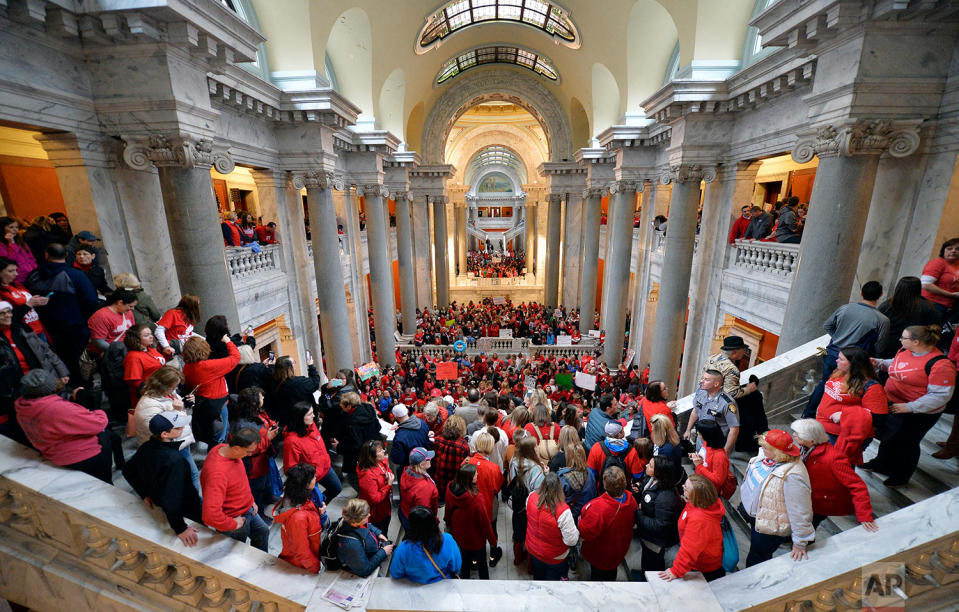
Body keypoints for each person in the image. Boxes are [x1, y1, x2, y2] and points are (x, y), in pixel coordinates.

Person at [865, 324, 956, 485]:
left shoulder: (941, 365)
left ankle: (901, 476)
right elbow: (897, 364)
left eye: (903, 337)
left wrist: (910, 407)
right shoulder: (906, 350)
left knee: (907, 443)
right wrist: (879, 363)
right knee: (888, 437)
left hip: (918, 413)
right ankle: (881, 464)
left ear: (916, 342)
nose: (900, 340)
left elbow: (940, 396)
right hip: (894, 403)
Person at [803, 281, 890, 418]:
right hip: (854, 360)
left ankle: (808, 415)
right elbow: (880, 346)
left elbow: (827, 326)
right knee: (847, 389)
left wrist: (838, 336)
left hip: (832, 353)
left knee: (825, 384)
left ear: (861, 292)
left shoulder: (845, 308)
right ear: (880, 295)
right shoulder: (882, 320)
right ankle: (832, 417)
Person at [15, 369, 115, 484]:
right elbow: (98, 423)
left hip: (53, 453)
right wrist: (96, 409)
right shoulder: (55, 408)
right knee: (105, 484)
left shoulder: (22, 408)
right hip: (83, 456)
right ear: (50, 387)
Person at [122, 411, 202, 546]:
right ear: (164, 434)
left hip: (158, 499)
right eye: (178, 428)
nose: (183, 428)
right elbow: (172, 497)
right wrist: (180, 528)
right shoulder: (174, 460)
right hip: (186, 509)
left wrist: (144, 493)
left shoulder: (146, 446)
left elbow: (128, 470)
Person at [740, 430, 814, 566]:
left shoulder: (794, 476)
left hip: (770, 526)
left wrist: (800, 541)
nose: (762, 449)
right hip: (759, 517)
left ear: (778, 452)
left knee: (758, 557)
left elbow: (801, 511)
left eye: (765, 447)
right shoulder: (767, 456)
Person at [791, 419, 877, 532]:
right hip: (807, 496)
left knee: (808, 527)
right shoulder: (805, 448)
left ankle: (803, 544)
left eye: (797, 434)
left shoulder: (834, 459)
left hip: (822, 502)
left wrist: (864, 515)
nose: (793, 435)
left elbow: (857, 486)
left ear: (810, 440)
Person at [26, 242, 98, 377]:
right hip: (75, 325)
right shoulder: (75, 275)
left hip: (45, 326)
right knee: (78, 359)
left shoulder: (33, 276)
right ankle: (80, 385)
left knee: (57, 358)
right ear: (66, 255)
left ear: (46, 255)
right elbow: (91, 300)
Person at [200, 425, 269, 552]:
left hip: (247, 509)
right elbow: (210, 515)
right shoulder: (217, 474)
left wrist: (250, 500)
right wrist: (232, 524)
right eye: (248, 452)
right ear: (237, 448)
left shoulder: (223, 448)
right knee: (235, 552)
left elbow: (239, 480)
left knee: (263, 531)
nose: (250, 455)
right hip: (234, 518)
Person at [132, 366, 199, 492]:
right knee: (182, 481)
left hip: (181, 444)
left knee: (192, 476)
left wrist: (187, 405)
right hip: (170, 448)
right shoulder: (148, 405)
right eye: (173, 387)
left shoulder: (168, 394)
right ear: (162, 386)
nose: (176, 390)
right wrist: (177, 411)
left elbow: (180, 412)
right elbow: (162, 432)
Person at [814, 346, 886, 449]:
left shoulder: (872, 387)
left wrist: (846, 414)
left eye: (841, 359)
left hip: (842, 436)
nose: (836, 360)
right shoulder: (839, 372)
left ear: (853, 364)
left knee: (839, 465)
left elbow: (877, 417)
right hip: (822, 428)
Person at [659, 475, 726, 582]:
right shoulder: (700, 503)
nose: (682, 487)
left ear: (696, 495)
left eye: (686, 488)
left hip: (703, 570)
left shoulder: (700, 520)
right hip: (701, 558)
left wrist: (676, 570)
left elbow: (690, 549)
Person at [578, 466, 637, 581]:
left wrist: (580, 519)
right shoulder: (632, 501)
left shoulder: (599, 508)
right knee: (611, 576)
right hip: (618, 550)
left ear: (605, 485)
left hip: (600, 553)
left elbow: (585, 532)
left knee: (597, 579)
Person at [233, 387, 280, 523]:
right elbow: (248, 449)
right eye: (261, 397)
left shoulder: (255, 413)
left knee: (265, 483)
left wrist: (271, 426)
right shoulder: (242, 425)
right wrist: (268, 438)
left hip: (263, 460)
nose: (263, 398)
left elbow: (265, 422)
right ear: (253, 402)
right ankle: (259, 513)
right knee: (256, 489)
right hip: (253, 466)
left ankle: (269, 496)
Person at [182, 334, 240, 445]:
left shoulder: (187, 367)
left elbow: (188, 386)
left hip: (202, 404)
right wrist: (228, 341)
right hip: (218, 406)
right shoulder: (209, 366)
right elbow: (236, 357)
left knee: (213, 433)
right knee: (220, 435)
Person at [444, 463, 498, 579]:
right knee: (482, 564)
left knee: (464, 563)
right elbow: (485, 524)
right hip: (475, 538)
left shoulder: (450, 488)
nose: (477, 475)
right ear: (468, 478)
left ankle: (465, 582)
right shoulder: (477, 499)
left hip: (458, 533)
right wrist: (492, 541)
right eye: (475, 474)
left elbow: (448, 509)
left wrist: (448, 524)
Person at [273, 463, 328, 573]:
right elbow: (301, 550)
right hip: (300, 565)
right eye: (313, 477)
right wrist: (314, 567)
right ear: (306, 484)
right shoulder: (297, 518)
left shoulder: (301, 496)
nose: (316, 478)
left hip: (309, 554)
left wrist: (320, 514)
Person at [283, 401, 342, 504]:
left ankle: (321, 503)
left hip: (325, 467)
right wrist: (308, 479)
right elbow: (290, 468)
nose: (314, 416)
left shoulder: (311, 425)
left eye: (313, 412)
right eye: (310, 414)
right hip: (311, 478)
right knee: (315, 502)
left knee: (336, 488)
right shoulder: (292, 441)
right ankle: (318, 507)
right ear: (300, 417)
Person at [525, 472, 580, 580]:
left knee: (538, 577)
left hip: (533, 550)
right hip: (554, 556)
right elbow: (571, 540)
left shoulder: (531, 497)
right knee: (551, 582)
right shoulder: (563, 511)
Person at [634, 455, 684, 574]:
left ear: (659, 472)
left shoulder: (666, 497)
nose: (646, 465)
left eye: (650, 466)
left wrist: (639, 514)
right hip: (647, 534)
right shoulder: (651, 478)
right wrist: (639, 488)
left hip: (656, 541)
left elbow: (660, 525)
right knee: (645, 560)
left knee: (652, 566)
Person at [391, 505, 462, 583]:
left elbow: (396, 573)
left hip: (416, 587)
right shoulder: (448, 540)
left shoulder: (403, 549)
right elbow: (456, 566)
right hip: (442, 584)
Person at [877, 277, 942, 358]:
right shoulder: (928, 307)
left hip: (888, 345)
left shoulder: (886, 305)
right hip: (914, 347)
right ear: (918, 289)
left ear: (898, 288)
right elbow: (935, 329)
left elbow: (877, 325)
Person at [682, 369, 740, 455]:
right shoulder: (701, 393)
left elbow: (734, 429)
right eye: (702, 378)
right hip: (701, 440)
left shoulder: (727, 403)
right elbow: (695, 411)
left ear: (716, 384)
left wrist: (726, 451)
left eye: (706, 379)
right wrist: (688, 430)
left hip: (716, 444)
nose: (702, 381)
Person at [336, 498, 393, 577]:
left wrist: (378, 533)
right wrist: (383, 552)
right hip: (360, 565)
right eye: (366, 515)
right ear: (357, 522)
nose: (369, 515)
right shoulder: (351, 544)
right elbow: (364, 570)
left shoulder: (351, 520)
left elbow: (368, 525)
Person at [463, 431, 504, 535]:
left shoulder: (466, 462)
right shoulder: (493, 468)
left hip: (468, 504)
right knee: (491, 530)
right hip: (488, 505)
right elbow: (497, 487)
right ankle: (494, 549)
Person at [0, 257, 49, 339]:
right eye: (11, 271)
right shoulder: (2, 292)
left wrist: (38, 301)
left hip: (38, 328)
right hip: (23, 334)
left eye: (16, 270)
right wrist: (29, 304)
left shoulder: (18, 285)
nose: (16, 274)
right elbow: (7, 316)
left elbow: (29, 304)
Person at [269, 354, 321, 427]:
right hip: (304, 419)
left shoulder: (273, 381)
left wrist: (270, 366)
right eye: (293, 363)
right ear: (289, 368)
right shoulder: (299, 383)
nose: (295, 365)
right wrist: (311, 366)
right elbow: (315, 383)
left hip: (287, 420)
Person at [689, 419, 736, 499]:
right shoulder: (707, 443)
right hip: (702, 483)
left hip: (709, 491)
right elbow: (706, 459)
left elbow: (718, 480)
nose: (697, 433)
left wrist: (699, 465)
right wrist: (697, 457)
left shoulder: (719, 456)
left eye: (700, 433)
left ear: (707, 435)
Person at [122, 324, 166, 408]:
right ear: (137, 339)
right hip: (149, 396)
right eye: (146, 335)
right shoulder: (133, 356)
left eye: (151, 334)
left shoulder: (151, 349)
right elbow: (134, 382)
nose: (151, 337)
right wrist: (154, 392)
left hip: (161, 390)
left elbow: (160, 363)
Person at [356, 439, 394, 534]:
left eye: (382, 449)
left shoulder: (379, 462)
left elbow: (386, 468)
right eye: (380, 451)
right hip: (376, 513)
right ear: (371, 456)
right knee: (380, 532)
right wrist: (388, 485)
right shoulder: (367, 476)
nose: (383, 451)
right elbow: (375, 498)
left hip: (385, 506)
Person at [703, 335, 756, 401]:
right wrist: (749, 389)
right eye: (743, 349)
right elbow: (731, 394)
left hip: (704, 396)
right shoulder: (731, 369)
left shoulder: (712, 358)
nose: (744, 352)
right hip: (716, 402)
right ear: (734, 352)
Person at [432, 414, 471, 503]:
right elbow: (464, 466)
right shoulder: (463, 445)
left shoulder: (438, 440)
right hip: (454, 483)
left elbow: (433, 461)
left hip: (438, 479)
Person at [399, 447, 439, 530]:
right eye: (428, 459)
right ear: (421, 464)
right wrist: (434, 521)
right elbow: (424, 513)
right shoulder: (423, 488)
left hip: (406, 513)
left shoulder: (407, 471)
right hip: (418, 523)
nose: (431, 459)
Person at [920, 237, 959, 318]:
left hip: (948, 306)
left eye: (958, 249)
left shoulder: (957, 265)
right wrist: (952, 295)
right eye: (949, 248)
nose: (953, 251)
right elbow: (926, 285)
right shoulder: (938, 263)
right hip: (931, 305)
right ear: (943, 251)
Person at [389, 404, 431, 474]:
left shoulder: (400, 436)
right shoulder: (422, 423)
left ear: (396, 417)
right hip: (424, 464)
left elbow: (397, 459)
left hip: (409, 470)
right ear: (407, 411)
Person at [735, 374, 769, 454]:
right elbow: (760, 413)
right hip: (751, 422)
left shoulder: (740, 393)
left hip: (741, 420)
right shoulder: (756, 394)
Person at [0, 216, 37, 283]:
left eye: (16, 227)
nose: (15, 230)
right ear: (2, 229)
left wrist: (35, 270)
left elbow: (31, 258)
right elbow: (10, 261)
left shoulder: (20, 241)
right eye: (11, 227)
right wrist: (11, 243)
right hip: (17, 279)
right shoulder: (2, 245)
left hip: (31, 275)